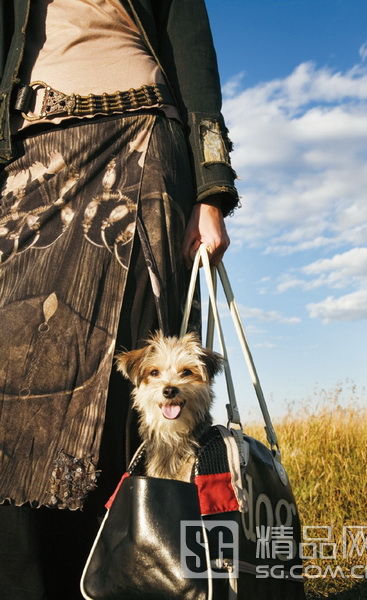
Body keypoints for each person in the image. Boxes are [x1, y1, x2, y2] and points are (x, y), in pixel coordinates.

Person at [0, 1, 239, 597]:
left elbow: (194, 57)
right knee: (17, 387)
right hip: (29, 162)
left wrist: (211, 188)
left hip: (139, 141)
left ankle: (137, 580)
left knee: (134, 382)